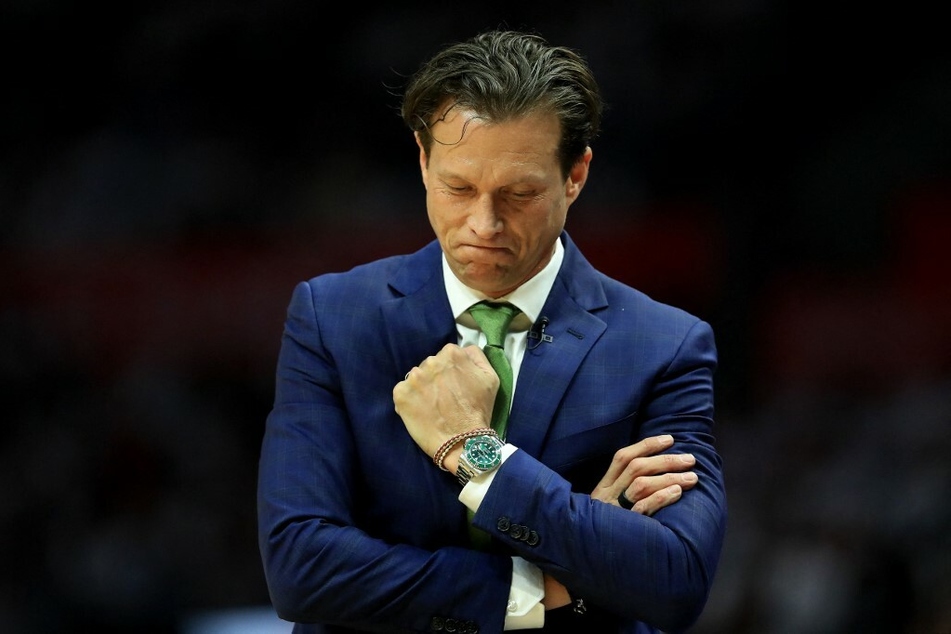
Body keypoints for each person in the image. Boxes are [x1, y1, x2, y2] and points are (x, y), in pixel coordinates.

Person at [257, 29, 726, 633]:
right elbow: (301, 569)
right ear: (424, 161)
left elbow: (674, 580)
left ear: (576, 175)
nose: (483, 223)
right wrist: (547, 584)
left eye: (520, 193)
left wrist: (478, 456)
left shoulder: (664, 345)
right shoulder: (332, 317)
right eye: (458, 187)